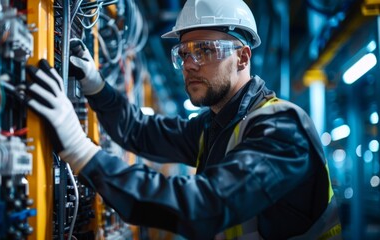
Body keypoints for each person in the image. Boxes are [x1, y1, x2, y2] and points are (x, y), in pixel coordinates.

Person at [25, 0, 342, 239]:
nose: (190, 63)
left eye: (204, 50)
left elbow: (204, 206)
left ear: (243, 57)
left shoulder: (282, 130)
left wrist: (81, 150)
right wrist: (96, 86)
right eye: (184, 52)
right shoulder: (216, 125)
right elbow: (143, 132)